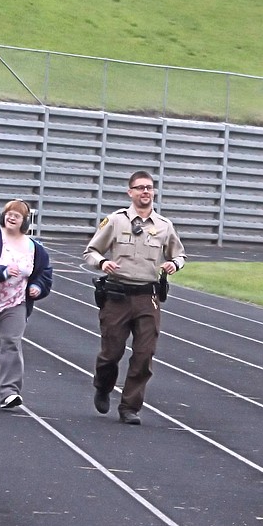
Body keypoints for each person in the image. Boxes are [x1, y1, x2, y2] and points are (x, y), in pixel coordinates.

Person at [83, 170, 186, 426]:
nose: (145, 192)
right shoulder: (116, 221)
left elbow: (180, 255)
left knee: (144, 354)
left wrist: (174, 264)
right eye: (140, 188)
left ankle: (130, 406)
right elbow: (91, 251)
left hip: (147, 297)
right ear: (130, 192)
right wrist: (103, 262)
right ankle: (103, 385)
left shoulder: (164, 225)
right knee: (111, 352)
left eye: (149, 187)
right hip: (117, 295)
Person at [0, 200, 53, 409]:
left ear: (25, 221)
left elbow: (44, 273)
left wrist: (37, 288)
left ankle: (9, 392)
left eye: (17, 215)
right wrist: (3, 271)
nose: (11, 217)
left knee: (11, 343)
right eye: (8, 213)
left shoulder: (35, 248)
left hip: (16, 303)